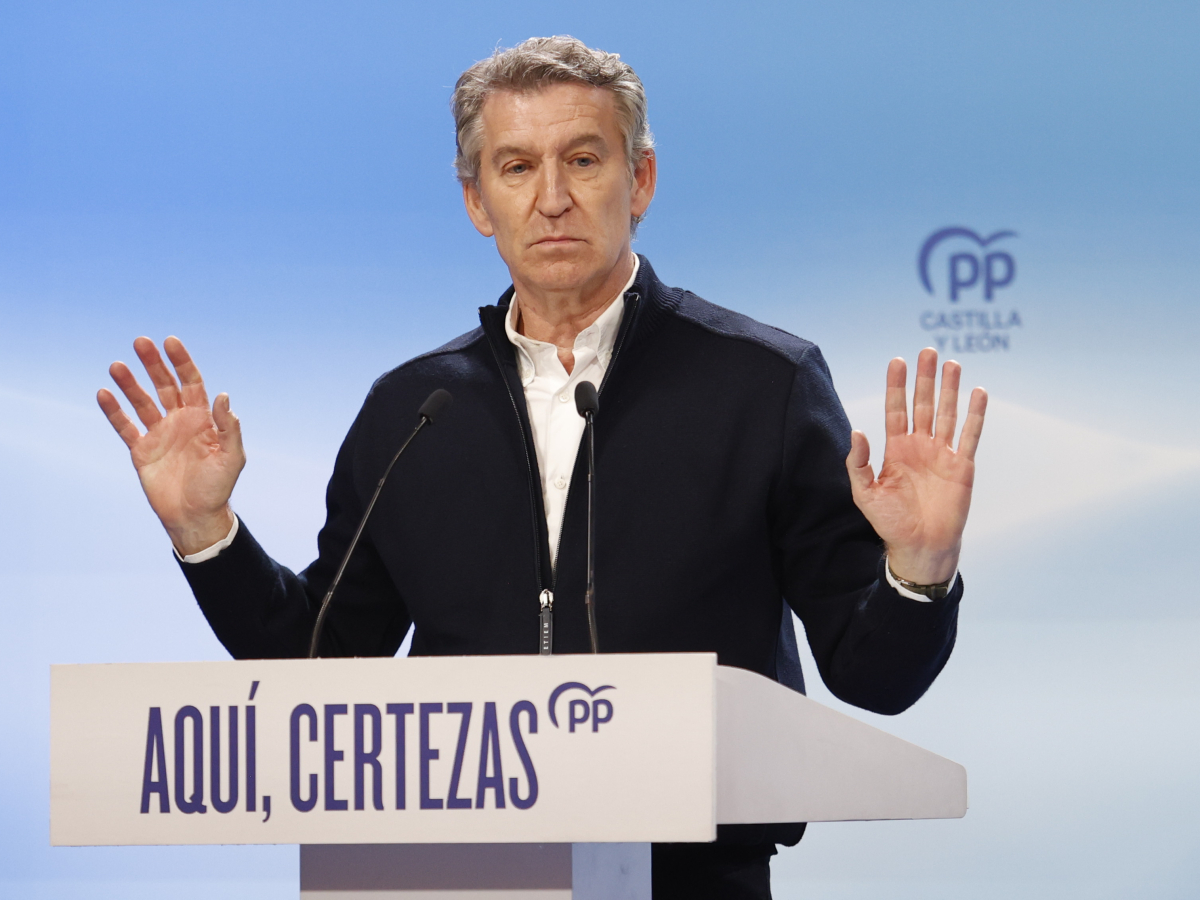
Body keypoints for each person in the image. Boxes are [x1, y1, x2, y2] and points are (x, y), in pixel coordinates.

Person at [97, 36, 986, 900]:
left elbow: (874, 678)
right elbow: (324, 664)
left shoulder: (764, 385)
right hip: (454, 878)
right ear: (477, 201)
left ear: (640, 180)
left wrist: (920, 569)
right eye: (517, 167)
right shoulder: (413, 411)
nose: (552, 198)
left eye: (584, 161)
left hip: (693, 878)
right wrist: (206, 533)